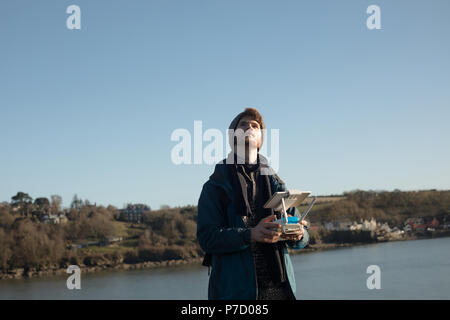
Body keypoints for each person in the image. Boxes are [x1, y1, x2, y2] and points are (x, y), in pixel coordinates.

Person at [197, 107, 309, 300]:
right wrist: (250, 235)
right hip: (235, 294)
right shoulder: (215, 186)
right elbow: (207, 238)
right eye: (243, 124)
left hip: (280, 291)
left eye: (255, 126)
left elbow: (303, 237)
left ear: (260, 138)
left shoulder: (276, 183)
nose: (249, 127)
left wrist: (298, 234)